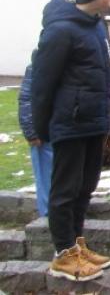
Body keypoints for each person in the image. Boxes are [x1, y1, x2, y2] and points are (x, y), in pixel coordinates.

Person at [32, 0, 110, 281]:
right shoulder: (60, 31)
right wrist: (39, 128)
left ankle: (77, 246)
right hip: (70, 123)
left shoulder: (94, 25)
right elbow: (43, 83)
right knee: (65, 191)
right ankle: (64, 255)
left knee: (84, 188)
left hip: (93, 121)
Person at [18, 61, 53, 218]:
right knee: (46, 182)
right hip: (43, 135)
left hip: (64, 132)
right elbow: (26, 98)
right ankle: (47, 219)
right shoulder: (37, 65)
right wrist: (31, 132)